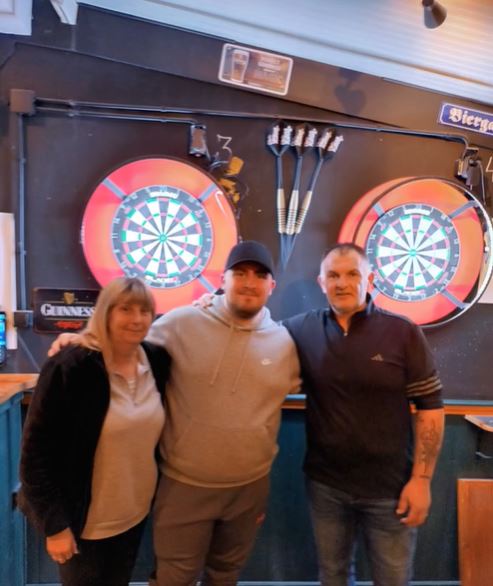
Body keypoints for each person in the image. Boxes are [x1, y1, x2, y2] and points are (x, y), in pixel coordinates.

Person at [283, 243, 445, 586]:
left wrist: (422, 480)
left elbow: (430, 409)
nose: (342, 282)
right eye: (334, 275)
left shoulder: (403, 332)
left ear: (369, 278)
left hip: (391, 489)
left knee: (393, 580)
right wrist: (207, 307)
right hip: (325, 487)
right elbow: (252, 336)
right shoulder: (299, 330)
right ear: (321, 282)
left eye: (352, 273)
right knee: (333, 577)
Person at [146, 240, 301, 586]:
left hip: (249, 489)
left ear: (271, 286)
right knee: (173, 579)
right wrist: (81, 341)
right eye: (240, 273)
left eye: (260, 275)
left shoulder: (284, 343)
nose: (249, 282)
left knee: (225, 576)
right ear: (222, 279)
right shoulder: (182, 322)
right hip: (183, 485)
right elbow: (124, 343)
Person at [19, 277, 170, 586]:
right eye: (125, 308)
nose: (136, 318)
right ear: (105, 312)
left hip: (134, 514)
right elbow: (35, 456)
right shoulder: (70, 366)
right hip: (83, 523)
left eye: (144, 310)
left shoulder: (156, 361)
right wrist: (55, 526)